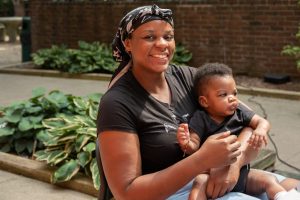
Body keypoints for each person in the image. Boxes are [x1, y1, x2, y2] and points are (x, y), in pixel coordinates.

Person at [96, 4, 300, 200]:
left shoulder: (188, 78)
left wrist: (232, 164)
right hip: (170, 193)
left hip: (216, 176)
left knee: (293, 188)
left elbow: (246, 119)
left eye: (168, 37)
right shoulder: (117, 103)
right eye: (149, 37)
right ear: (128, 43)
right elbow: (127, 193)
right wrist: (202, 159)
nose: (162, 44)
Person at [176, 62, 300, 200]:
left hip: (242, 173)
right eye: (223, 94)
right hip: (211, 175)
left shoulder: (240, 113)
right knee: (199, 182)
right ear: (205, 101)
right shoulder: (200, 118)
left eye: (234, 93)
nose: (232, 98)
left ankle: (283, 197)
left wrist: (260, 130)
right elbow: (194, 147)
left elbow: (262, 122)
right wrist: (186, 143)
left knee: (269, 180)